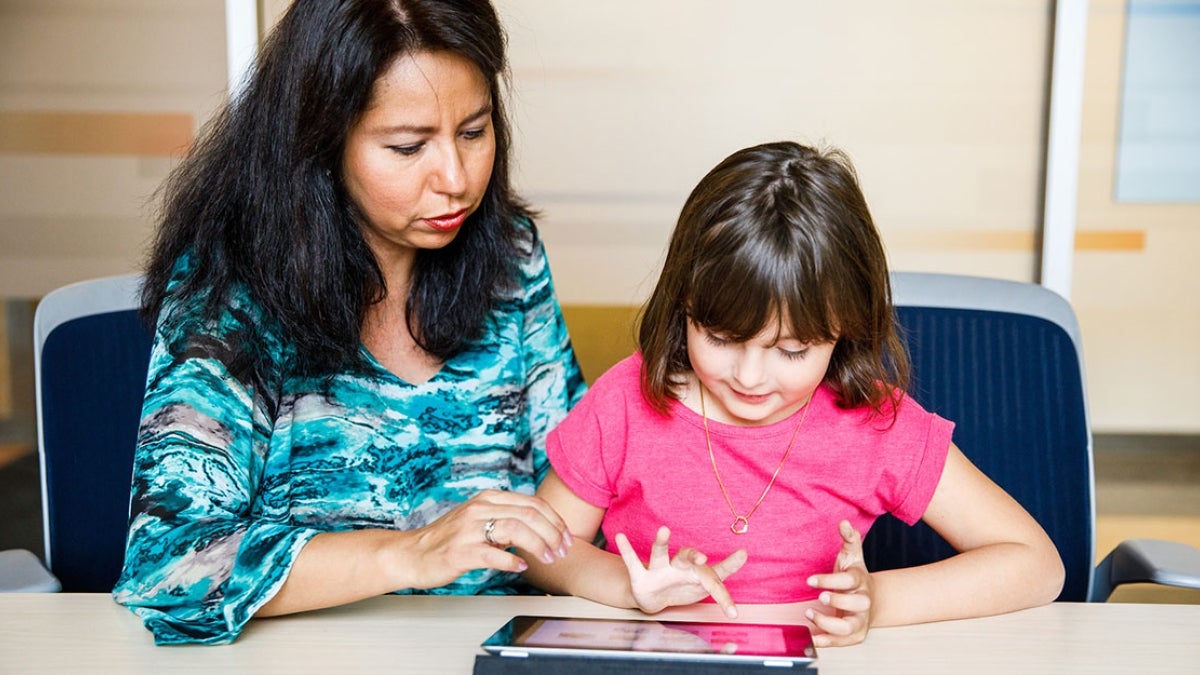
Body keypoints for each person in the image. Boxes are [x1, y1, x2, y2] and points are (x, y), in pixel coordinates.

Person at [112, 0, 584, 645]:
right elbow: (171, 567)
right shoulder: (232, 292)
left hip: (490, 644)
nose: (456, 178)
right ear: (320, 142)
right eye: (408, 146)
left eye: (473, 132)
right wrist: (408, 554)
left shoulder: (510, 254)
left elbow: (576, 483)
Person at [521, 141, 1065, 647]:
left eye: (792, 349)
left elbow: (1036, 565)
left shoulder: (875, 422)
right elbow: (541, 549)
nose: (750, 377)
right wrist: (627, 589)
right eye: (721, 338)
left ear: (845, 328)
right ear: (682, 303)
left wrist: (876, 602)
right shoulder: (626, 400)